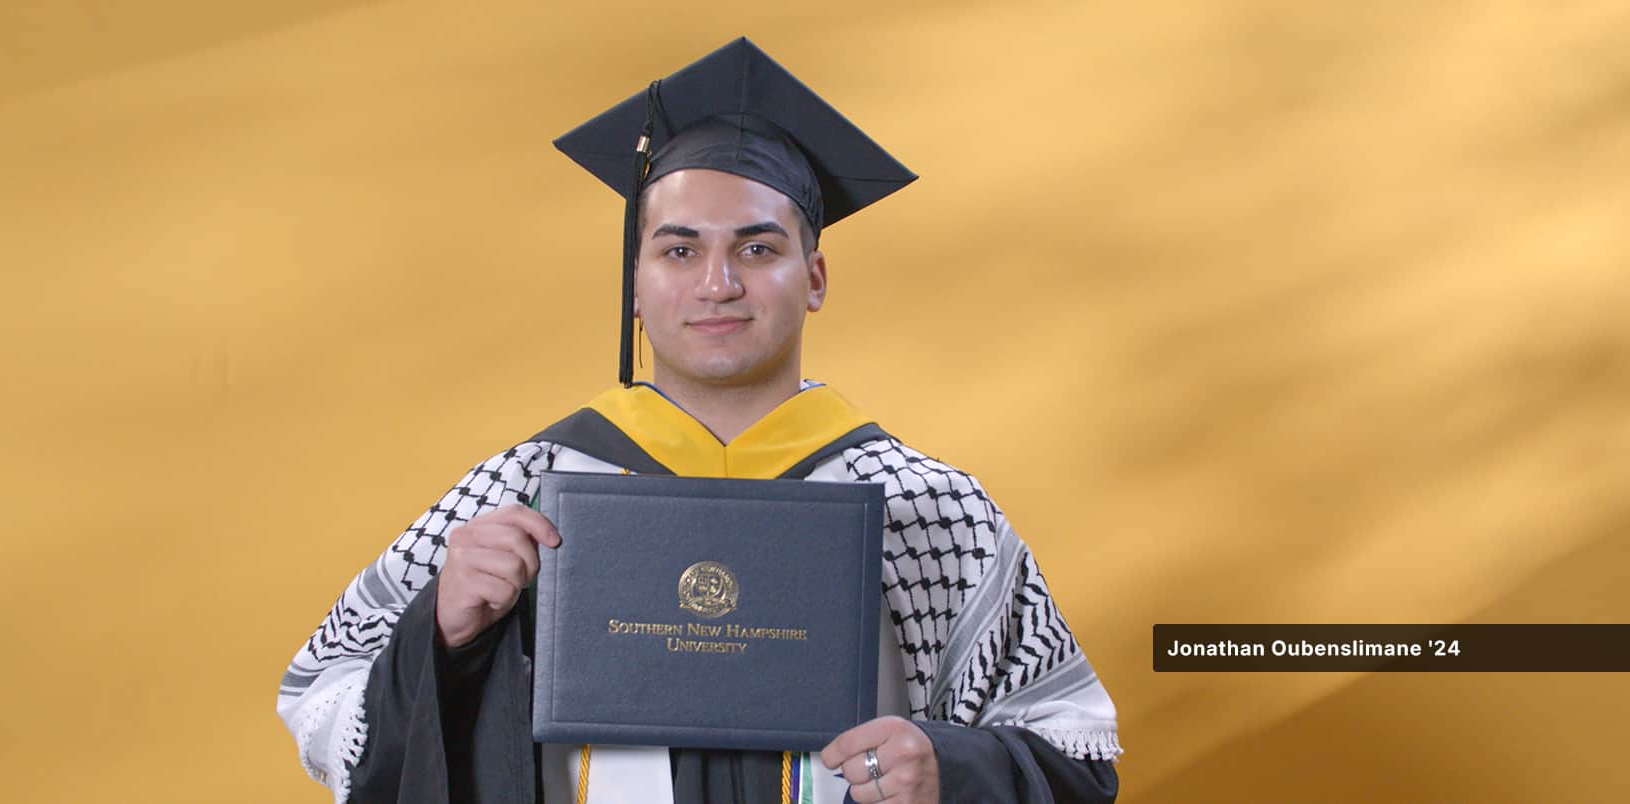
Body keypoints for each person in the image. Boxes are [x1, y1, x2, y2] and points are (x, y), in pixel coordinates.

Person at [277, 38, 1121, 804]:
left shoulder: (931, 508)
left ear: (815, 277)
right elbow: (322, 703)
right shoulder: (524, 491)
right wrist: (443, 635)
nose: (718, 284)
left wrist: (951, 768)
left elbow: (1076, 752)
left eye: (758, 248)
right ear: (635, 285)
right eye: (680, 250)